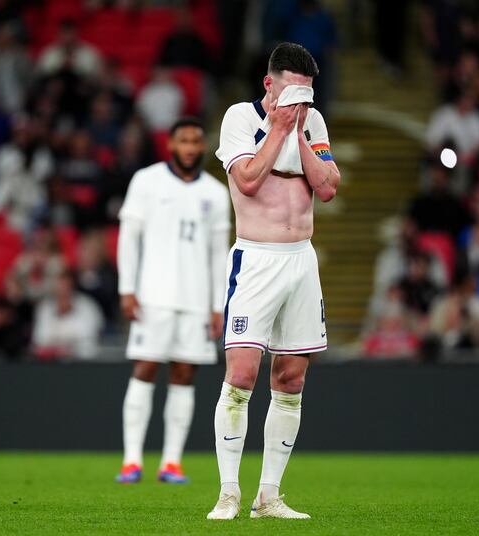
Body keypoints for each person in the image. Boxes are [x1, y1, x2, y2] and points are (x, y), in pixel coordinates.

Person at [208, 42, 340, 520]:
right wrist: (279, 127)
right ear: (270, 83)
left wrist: (300, 132)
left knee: (291, 378)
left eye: (307, 93)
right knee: (241, 376)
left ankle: (269, 495)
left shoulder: (314, 121)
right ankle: (228, 493)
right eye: (291, 91)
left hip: (301, 261)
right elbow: (246, 179)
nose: (299, 101)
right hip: (257, 259)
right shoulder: (240, 118)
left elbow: (327, 186)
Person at [115, 118, 231, 485]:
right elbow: (128, 239)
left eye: (197, 141)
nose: (191, 148)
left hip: (196, 300)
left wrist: (218, 304)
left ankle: (171, 462)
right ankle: (132, 460)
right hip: (153, 296)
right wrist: (126, 288)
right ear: (171, 144)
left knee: (185, 374)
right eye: (184, 141)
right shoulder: (146, 181)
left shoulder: (215, 192)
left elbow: (218, 254)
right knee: (146, 368)